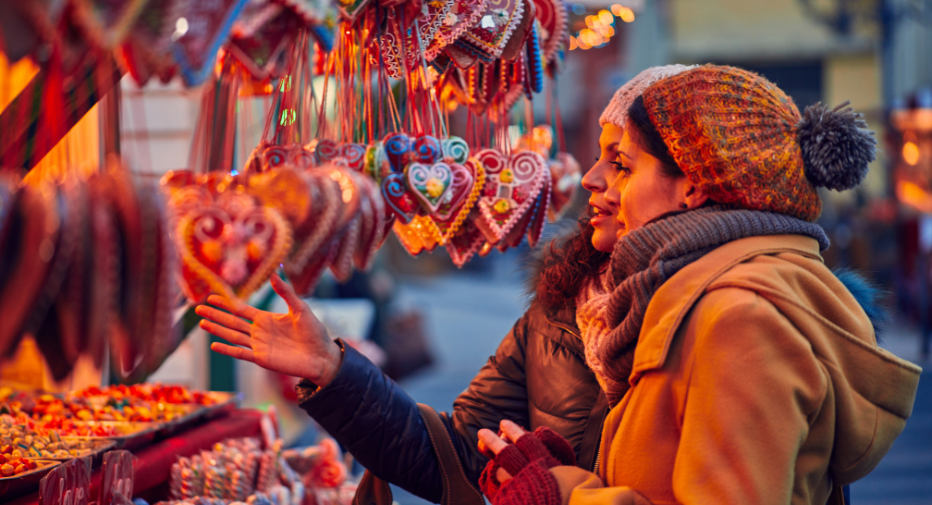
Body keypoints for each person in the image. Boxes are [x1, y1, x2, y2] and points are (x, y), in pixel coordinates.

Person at [195, 65, 696, 503]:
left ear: (694, 184)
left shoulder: (728, 314)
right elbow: (454, 456)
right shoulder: (565, 305)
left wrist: (551, 491)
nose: (590, 179)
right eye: (599, 157)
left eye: (622, 164)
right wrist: (333, 370)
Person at [475, 65, 923, 505]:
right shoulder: (696, 298)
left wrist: (561, 496)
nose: (601, 182)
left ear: (691, 187)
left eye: (624, 167)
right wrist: (563, 476)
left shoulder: (739, 320)